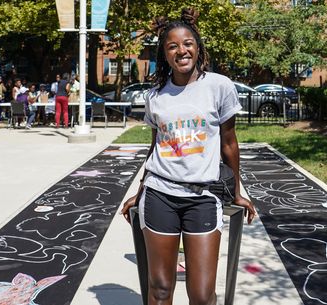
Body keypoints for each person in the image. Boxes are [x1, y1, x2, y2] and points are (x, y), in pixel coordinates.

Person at [121, 8, 256, 305]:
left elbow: (229, 143)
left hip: (203, 197)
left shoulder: (219, 86)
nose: (181, 51)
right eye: (172, 46)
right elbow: (156, 147)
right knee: (159, 289)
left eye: (187, 44)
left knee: (203, 294)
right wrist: (141, 190)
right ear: (164, 54)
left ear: (198, 47)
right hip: (160, 195)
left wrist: (236, 191)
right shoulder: (155, 96)